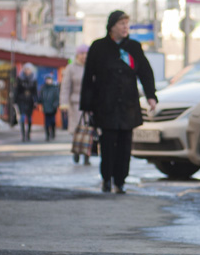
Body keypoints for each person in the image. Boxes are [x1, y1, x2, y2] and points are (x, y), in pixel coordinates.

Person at [80, 10, 157, 193]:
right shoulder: (99, 47)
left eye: (127, 24)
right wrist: (87, 105)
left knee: (124, 145)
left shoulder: (134, 47)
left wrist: (151, 96)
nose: (125, 27)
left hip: (128, 105)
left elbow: (145, 72)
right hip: (105, 104)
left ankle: (120, 181)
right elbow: (88, 77)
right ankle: (107, 178)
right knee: (107, 144)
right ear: (112, 26)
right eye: (122, 24)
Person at [60, 44, 88, 162]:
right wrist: (64, 103)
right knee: (76, 129)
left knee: (88, 129)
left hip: (88, 104)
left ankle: (87, 154)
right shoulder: (70, 68)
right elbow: (65, 87)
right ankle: (76, 151)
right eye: (82, 53)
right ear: (77, 55)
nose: (84, 56)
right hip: (75, 103)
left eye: (86, 53)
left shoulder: (92, 67)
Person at [13, 65, 39, 143]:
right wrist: (15, 101)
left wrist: (36, 101)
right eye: (26, 69)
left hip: (30, 101)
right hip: (21, 100)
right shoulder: (20, 79)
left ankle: (28, 134)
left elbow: (35, 91)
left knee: (30, 118)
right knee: (22, 118)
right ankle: (23, 135)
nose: (27, 71)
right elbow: (16, 90)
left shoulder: (34, 79)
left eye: (29, 69)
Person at [40, 75, 61, 141]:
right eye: (47, 79)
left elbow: (57, 97)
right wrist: (40, 103)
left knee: (52, 121)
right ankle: (47, 135)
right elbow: (40, 97)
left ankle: (53, 133)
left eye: (49, 79)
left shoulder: (55, 88)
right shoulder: (43, 88)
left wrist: (55, 104)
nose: (48, 81)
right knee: (46, 122)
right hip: (46, 107)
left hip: (53, 107)